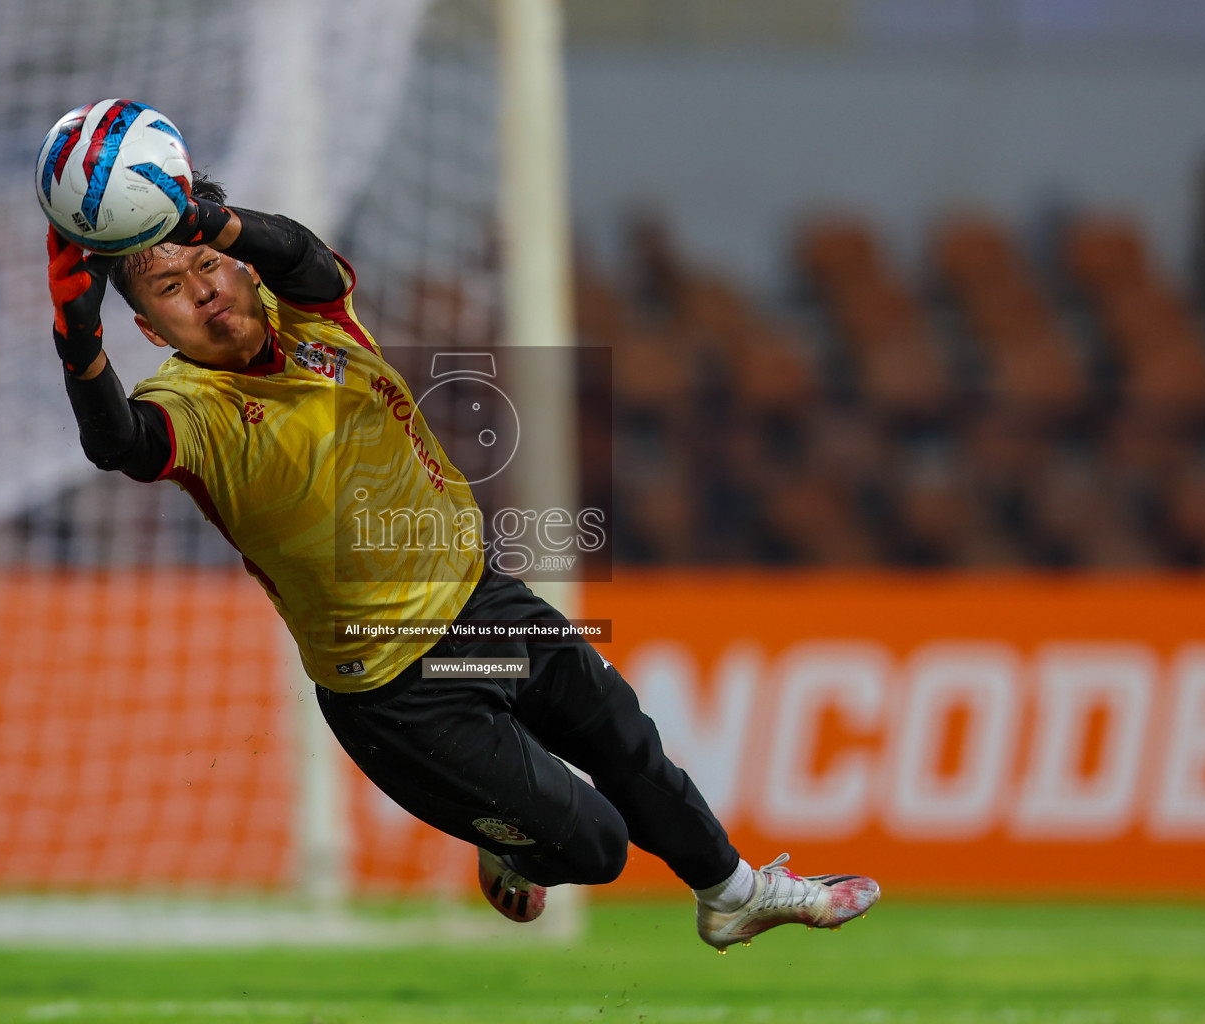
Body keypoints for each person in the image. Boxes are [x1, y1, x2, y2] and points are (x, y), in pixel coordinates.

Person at [45, 173, 880, 949]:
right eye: (170, 289)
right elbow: (118, 443)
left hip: (484, 598)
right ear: (153, 330)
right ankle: (512, 841)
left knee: (629, 744)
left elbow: (297, 253)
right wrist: (77, 338)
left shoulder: (308, 314)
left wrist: (214, 221)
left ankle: (733, 896)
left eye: (208, 266)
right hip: (393, 688)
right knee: (595, 847)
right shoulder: (190, 407)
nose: (204, 290)